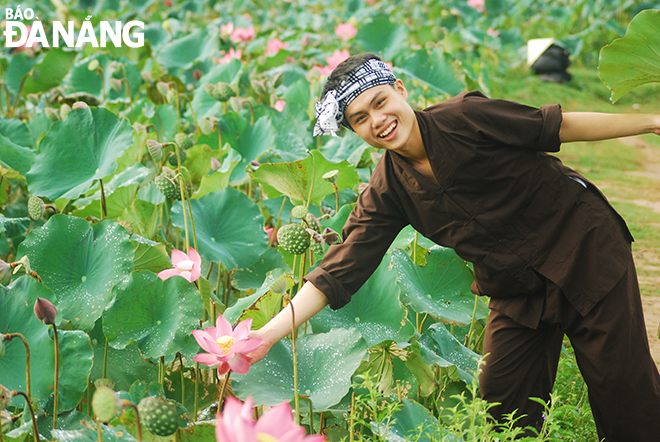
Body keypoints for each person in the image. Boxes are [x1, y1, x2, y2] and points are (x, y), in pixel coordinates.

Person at [246, 52, 660, 441]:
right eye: (361, 118)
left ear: (401, 91)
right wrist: (266, 336)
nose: (379, 120)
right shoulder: (387, 190)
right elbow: (339, 269)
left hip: (582, 248)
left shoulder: (464, 117)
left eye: (381, 102)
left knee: (622, 389)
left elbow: (556, 125)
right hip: (516, 288)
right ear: (354, 130)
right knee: (501, 400)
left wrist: (651, 122)